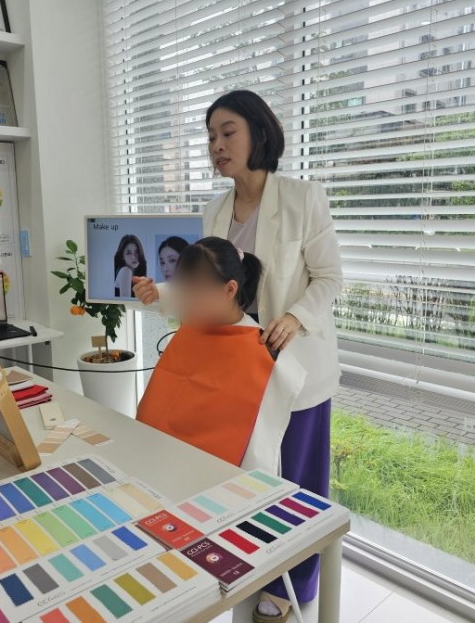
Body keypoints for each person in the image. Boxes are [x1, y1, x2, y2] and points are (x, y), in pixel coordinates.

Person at [133, 89, 342, 622]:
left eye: (228, 133)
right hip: (235, 370)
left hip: (295, 367)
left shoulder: (302, 197)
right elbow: (212, 288)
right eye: (210, 137)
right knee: (250, 477)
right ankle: (252, 562)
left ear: (259, 134)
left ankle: (294, 588)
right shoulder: (215, 209)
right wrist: (164, 294)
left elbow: (330, 278)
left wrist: (294, 317)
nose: (217, 146)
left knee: (297, 482)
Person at [137, 237, 304, 474]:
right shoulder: (194, 326)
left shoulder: (261, 351)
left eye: (194, 293)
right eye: (181, 291)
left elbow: (258, 450)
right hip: (161, 463)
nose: (184, 304)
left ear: (230, 289)